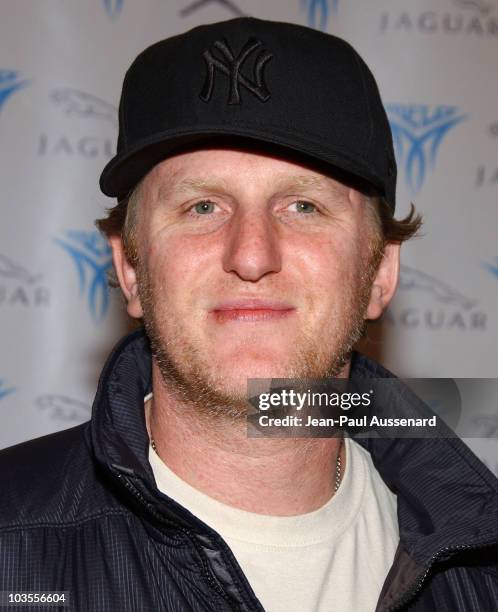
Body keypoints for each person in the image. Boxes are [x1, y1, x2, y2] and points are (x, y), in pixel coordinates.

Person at [1, 17, 497, 612]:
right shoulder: (12, 546)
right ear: (130, 269)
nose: (252, 255)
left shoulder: (482, 570)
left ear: (380, 274)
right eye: (202, 205)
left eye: (304, 205)